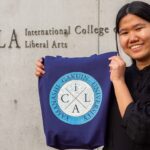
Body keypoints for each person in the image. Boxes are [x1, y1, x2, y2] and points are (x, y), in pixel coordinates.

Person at [35, 1, 150, 150]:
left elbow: (140, 131)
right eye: (124, 33)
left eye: (139, 28)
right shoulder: (117, 75)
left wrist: (119, 82)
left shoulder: (117, 79)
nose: (132, 38)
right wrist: (48, 71)